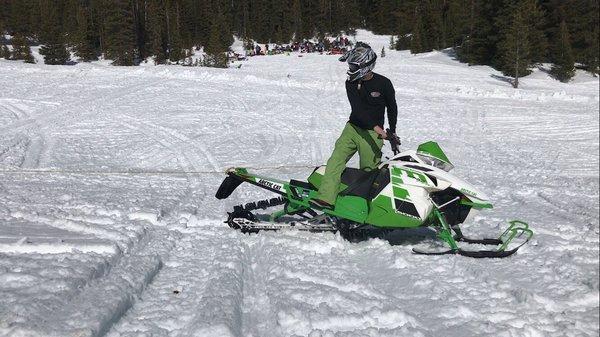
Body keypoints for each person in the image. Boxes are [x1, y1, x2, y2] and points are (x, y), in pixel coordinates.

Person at [311, 42, 398, 209]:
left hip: (372, 135)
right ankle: (326, 198)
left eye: (353, 65)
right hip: (353, 128)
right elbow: (358, 110)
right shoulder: (350, 83)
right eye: (350, 65)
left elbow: (392, 108)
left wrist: (392, 132)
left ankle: (363, 208)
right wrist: (378, 128)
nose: (350, 68)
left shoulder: (384, 83)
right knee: (336, 161)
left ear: (366, 65)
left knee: (369, 172)